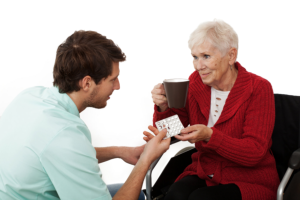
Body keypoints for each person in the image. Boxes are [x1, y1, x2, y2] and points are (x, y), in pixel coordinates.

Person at [0, 30, 170, 200]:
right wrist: (145, 161)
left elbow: (62, 152)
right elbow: (66, 146)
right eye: (112, 79)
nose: (117, 86)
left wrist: (121, 152)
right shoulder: (64, 133)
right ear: (87, 83)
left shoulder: (30, 96)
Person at [144, 19, 280, 200]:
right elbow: (171, 131)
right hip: (206, 170)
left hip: (249, 177)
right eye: (195, 57)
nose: (198, 66)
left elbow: (254, 152)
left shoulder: (258, 88)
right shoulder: (194, 83)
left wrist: (210, 136)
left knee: (201, 199)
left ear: (231, 56)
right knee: (174, 194)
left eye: (206, 56)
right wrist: (163, 107)